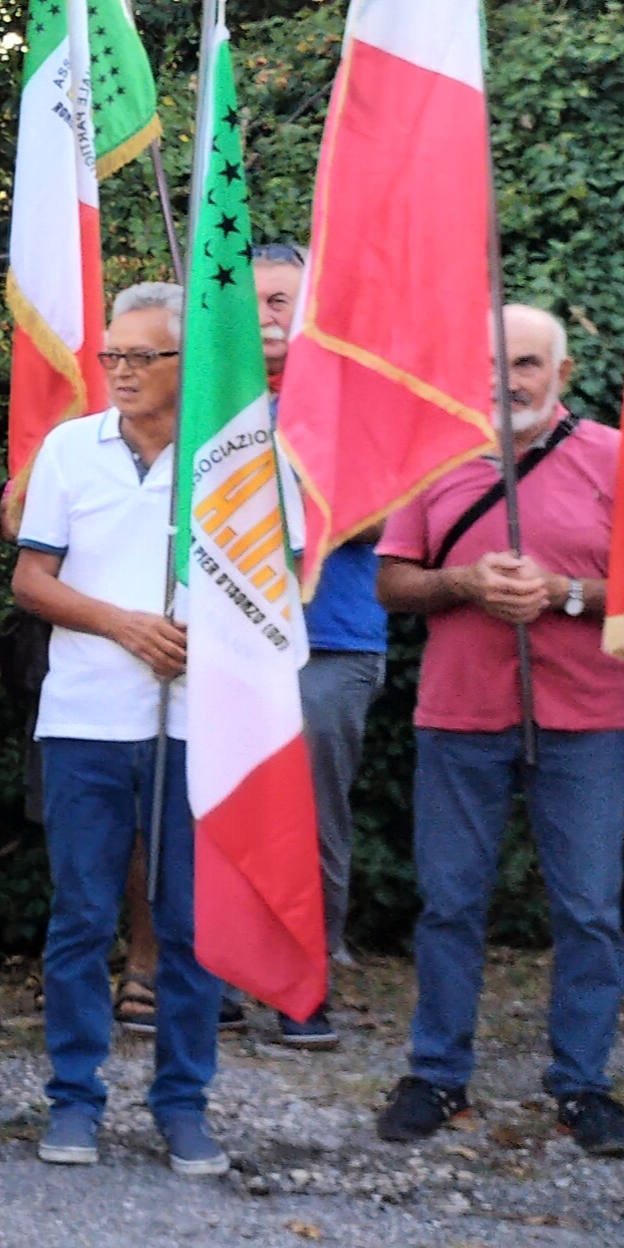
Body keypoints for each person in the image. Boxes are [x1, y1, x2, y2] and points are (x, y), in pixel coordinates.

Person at [370, 303, 624, 1159]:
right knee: (449, 902)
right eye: (492, 362)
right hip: (459, 713)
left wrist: (561, 592)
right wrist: (463, 584)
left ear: (559, 374)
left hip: (587, 714)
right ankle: (437, 1072)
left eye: (525, 363)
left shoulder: (616, 457)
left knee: (591, 909)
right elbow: (392, 584)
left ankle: (583, 1086)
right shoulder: (433, 456)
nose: (507, 378)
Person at [11, 281, 227, 1176]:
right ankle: (73, 1100)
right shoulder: (70, 447)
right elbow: (29, 582)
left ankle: (182, 1104)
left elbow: (277, 585)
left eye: (143, 357)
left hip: (198, 722)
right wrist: (123, 623)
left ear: (190, 363)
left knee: (185, 924)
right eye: (114, 357)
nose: (122, 372)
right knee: (81, 915)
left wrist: (203, 634)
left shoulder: (234, 455)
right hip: (85, 719)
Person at [250, 244, 389, 1050]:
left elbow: (379, 517)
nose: (266, 318)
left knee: (308, 821)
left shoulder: (350, 398)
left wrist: (277, 485)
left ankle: (303, 988)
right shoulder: (205, 401)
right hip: (222, 640)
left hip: (326, 641)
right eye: (254, 303)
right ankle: (223, 976)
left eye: (281, 301)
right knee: (218, 804)